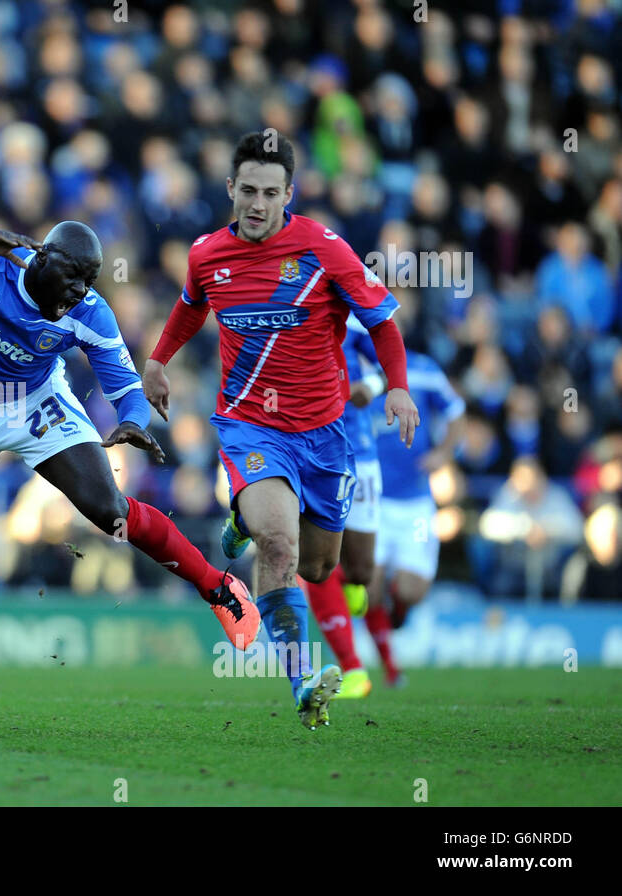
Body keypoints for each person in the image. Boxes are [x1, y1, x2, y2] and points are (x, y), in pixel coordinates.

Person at [0, 183, 259, 727]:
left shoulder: (90, 312)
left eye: (90, 281)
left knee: (109, 509)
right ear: (43, 259)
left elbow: (124, 386)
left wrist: (132, 422)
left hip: (34, 402)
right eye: (73, 277)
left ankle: (220, 587)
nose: (80, 291)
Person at [142, 131, 420, 729]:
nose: (258, 203)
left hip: (325, 433)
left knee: (321, 568)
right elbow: (193, 305)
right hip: (250, 427)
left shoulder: (324, 248)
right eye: (248, 190)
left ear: (289, 193)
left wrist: (396, 384)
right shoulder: (207, 255)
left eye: (271, 192)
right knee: (279, 545)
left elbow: (382, 320)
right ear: (230, 190)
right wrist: (159, 359)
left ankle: (242, 516)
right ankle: (301, 680)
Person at [366, 348, 464, 685]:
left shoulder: (423, 369)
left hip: (416, 506)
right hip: (371, 502)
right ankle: (391, 668)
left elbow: (456, 411)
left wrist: (444, 453)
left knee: (412, 590)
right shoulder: (351, 368)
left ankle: (400, 603)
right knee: (369, 586)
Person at [306, 318, 383, 700]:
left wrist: (370, 386)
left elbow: (387, 363)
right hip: (307, 449)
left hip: (360, 451)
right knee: (313, 564)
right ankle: (354, 668)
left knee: (360, 569)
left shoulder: (352, 319)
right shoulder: (277, 309)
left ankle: (354, 584)